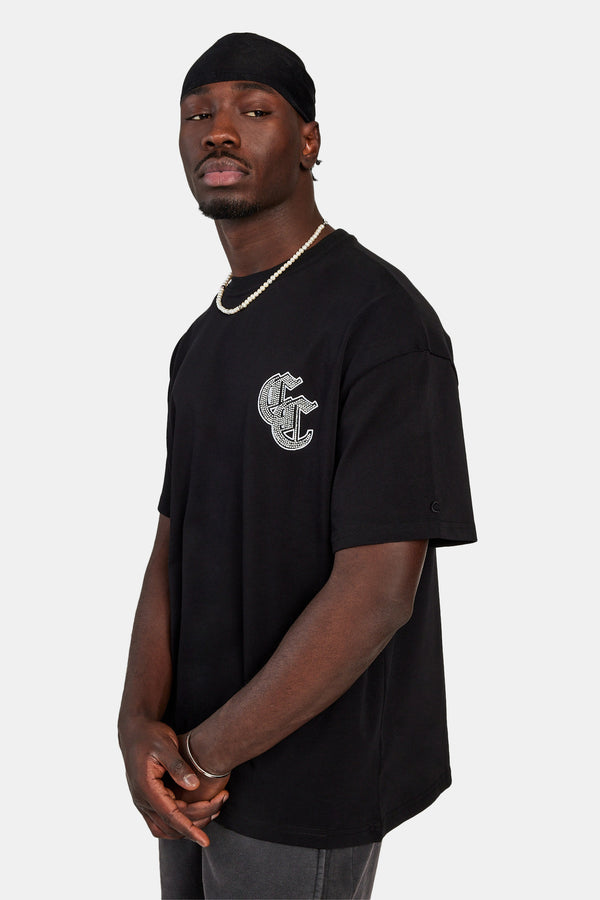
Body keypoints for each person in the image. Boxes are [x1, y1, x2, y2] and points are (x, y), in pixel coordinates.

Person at [118, 32, 477, 900]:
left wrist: (206, 755)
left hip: (308, 779)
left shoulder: (382, 321)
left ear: (308, 140)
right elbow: (171, 550)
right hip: (188, 774)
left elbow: (377, 593)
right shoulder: (198, 345)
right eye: (198, 115)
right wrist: (137, 725)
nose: (219, 131)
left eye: (253, 110)